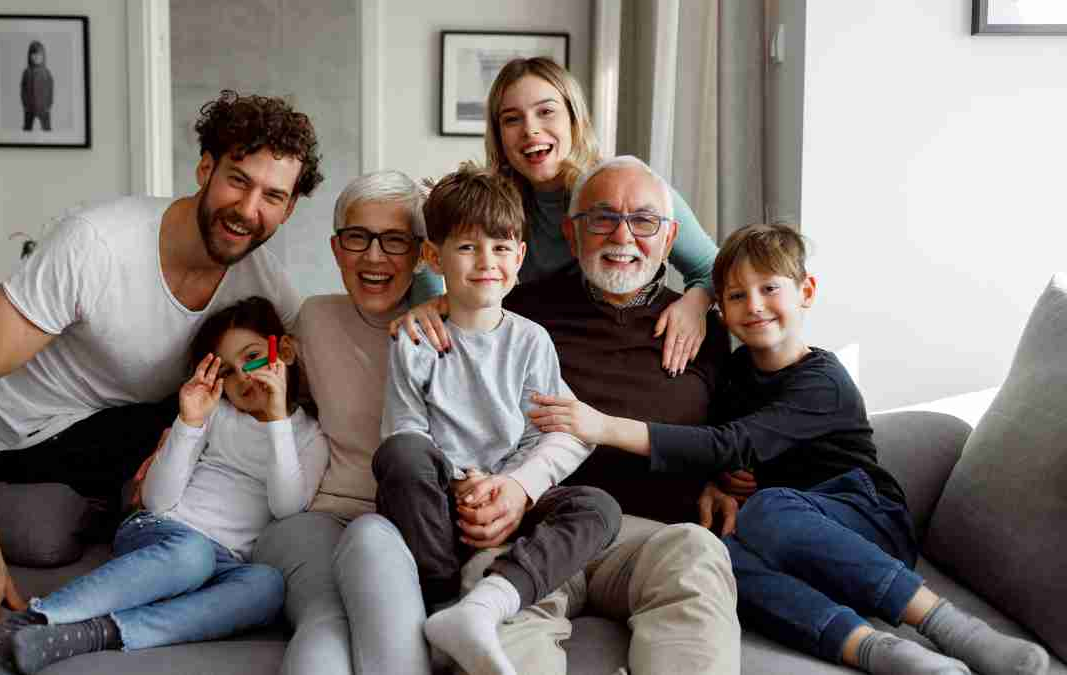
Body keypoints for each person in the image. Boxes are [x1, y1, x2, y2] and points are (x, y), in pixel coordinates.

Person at [533, 223, 1051, 675]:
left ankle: (953, 628)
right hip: (777, 541)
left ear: (807, 291)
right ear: (721, 308)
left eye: (769, 288)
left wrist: (602, 425)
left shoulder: (822, 382)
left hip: (864, 522)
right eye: (736, 295)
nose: (754, 305)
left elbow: (732, 441)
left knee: (770, 507)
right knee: (716, 556)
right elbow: (718, 446)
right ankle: (872, 650)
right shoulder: (734, 374)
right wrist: (715, 481)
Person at [0, 90, 323, 637]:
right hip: (31, 437)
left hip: (126, 434)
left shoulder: (263, 279)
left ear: (290, 207)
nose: (250, 210)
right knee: (188, 414)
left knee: (223, 409)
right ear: (205, 168)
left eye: (273, 196)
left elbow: (317, 374)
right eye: (238, 180)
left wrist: (428, 315)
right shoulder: (97, 243)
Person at [468, 155, 740, 674]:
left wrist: (724, 479)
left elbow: (737, 430)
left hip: (653, 538)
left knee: (699, 555)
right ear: (572, 235)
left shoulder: (708, 329)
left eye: (643, 220)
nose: (623, 235)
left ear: (669, 237)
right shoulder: (514, 312)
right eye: (603, 218)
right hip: (537, 529)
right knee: (491, 608)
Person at [0, 296, 328, 675]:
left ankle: (99, 633)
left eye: (255, 357)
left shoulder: (310, 438)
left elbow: (287, 509)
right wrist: (189, 423)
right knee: (192, 554)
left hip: (224, 562)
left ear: (285, 351)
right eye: (225, 371)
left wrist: (277, 420)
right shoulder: (216, 415)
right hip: (163, 532)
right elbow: (158, 500)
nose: (243, 376)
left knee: (269, 586)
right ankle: (35, 618)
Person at [372, 164, 621, 675]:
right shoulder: (415, 339)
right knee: (401, 454)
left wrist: (504, 484)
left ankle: (488, 602)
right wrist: (463, 483)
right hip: (440, 504)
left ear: (520, 257)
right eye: (466, 247)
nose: (486, 261)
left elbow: (545, 433)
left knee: (599, 507)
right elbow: (405, 428)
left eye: (501, 247)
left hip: (509, 498)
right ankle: (442, 606)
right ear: (433, 256)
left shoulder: (531, 341)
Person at [399, 57, 718, 376]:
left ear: (574, 119)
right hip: (547, 351)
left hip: (631, 346)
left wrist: (696, 304)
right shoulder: (498, 203)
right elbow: (433, 248)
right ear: (499, 135)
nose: (530, 129)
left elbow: (713, 267)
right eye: (512, 119)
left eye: (546, 111)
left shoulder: (626, 188)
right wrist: (435, 302)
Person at [246, 170, 435, 675]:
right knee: (327, 618)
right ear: (336, 248)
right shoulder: (313, 318)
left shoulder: (444, 329)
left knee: (375, 552)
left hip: (404, 527)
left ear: (421, 253)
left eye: (395, 240)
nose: (374, 257)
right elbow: (252, 377)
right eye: (358, 238)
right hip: (318, 517)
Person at [21, 41, 53, 132]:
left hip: (43, 108)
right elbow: (23, 90)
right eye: (34, 55)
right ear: (29, 56)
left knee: (47, 129)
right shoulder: (26, 72)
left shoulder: (46, 73)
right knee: (27, 128)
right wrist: (25, 104)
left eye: (39, 55)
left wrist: (48, 105)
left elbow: (50, 90)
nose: (36, 57)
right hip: (29, 108)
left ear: (43, 56)